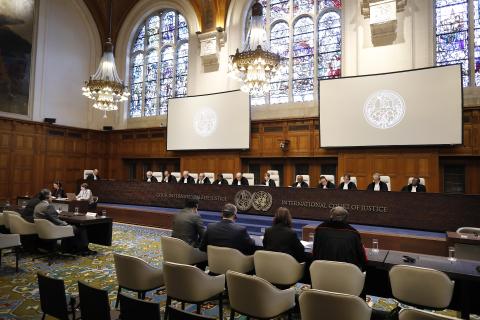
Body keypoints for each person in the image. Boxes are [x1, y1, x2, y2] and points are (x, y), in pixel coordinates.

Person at [34, 189, 93, 255]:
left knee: (71, 226)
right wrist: (66, 224)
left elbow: (51, 217)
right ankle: (83, 250)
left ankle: (68, 249)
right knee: (81, 228)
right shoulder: (48, 206)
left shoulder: (37, 205)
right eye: (51, 196)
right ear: (47, 197)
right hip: (53, 230)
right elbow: (56, 220)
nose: (52, 197)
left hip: (44, 230)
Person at [312, 206, 367, 271]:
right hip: (347, 275)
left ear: (331, 216)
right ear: (346, 218)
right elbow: (362, 257)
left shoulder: (319, 229)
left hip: (322, 273)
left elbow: (315, 252)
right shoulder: (353, 233)